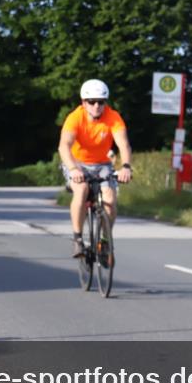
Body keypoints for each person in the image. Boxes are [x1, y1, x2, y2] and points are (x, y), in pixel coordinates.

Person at [58, 79, 133, 257]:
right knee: (82, 189)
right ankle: (77, 239)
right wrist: (74, 169)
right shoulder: (75, 118)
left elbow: (123, 145)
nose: (97, 106)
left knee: (110, 198)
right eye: (92, 102)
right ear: (84, 102)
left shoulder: (113, 117)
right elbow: (63, 146)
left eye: (101, 101)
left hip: (102, 164)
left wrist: (126, 167)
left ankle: (105, 241)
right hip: (77, 163)